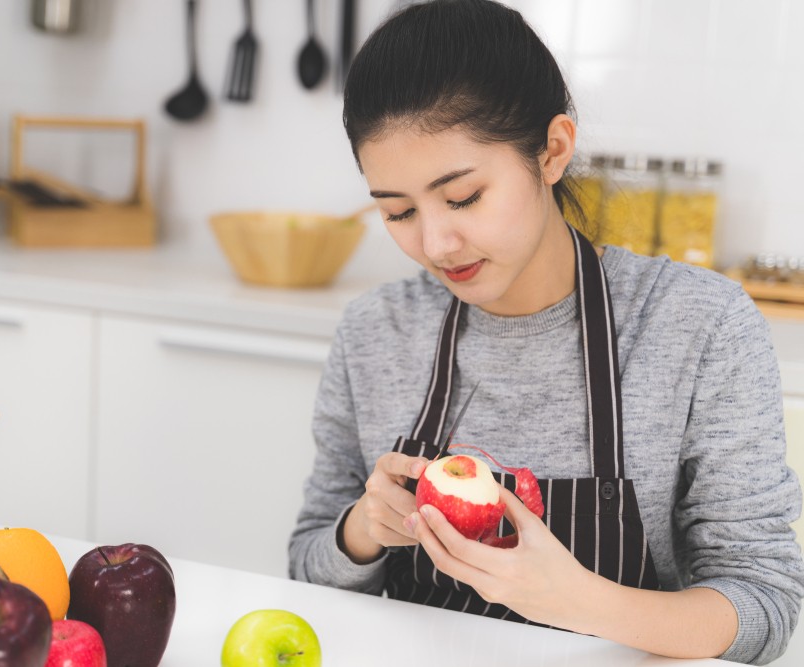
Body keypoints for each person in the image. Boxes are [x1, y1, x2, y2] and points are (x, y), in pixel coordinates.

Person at [287, 1, 804, 664]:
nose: (436, 242)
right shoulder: (376, 330)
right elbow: (307, 564)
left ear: (552, 150)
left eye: (464, 196)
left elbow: (765, 605)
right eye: (398, 211)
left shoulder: (699, 327)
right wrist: (362, 529)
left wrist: (578, 599)